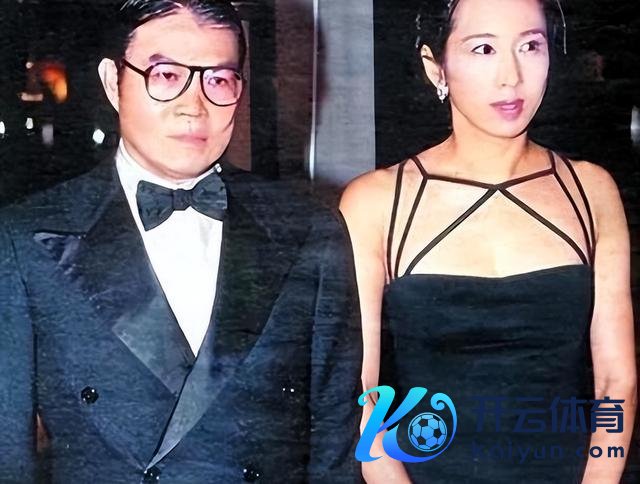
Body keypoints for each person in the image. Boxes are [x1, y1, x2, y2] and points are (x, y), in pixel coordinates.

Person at [0, 1, 362, 482]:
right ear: (113, 83)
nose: (195, 106)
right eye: (167, 76)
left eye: (219, 80)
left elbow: (335, 448)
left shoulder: (310, 231)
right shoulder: (27, 238)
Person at [340, 0, 636, 482]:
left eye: (530, 46)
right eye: (483, 49)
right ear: (435, 66)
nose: (511, 77)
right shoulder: (374, 203)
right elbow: (359, 394)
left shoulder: (591, 190)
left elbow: (615, 383)